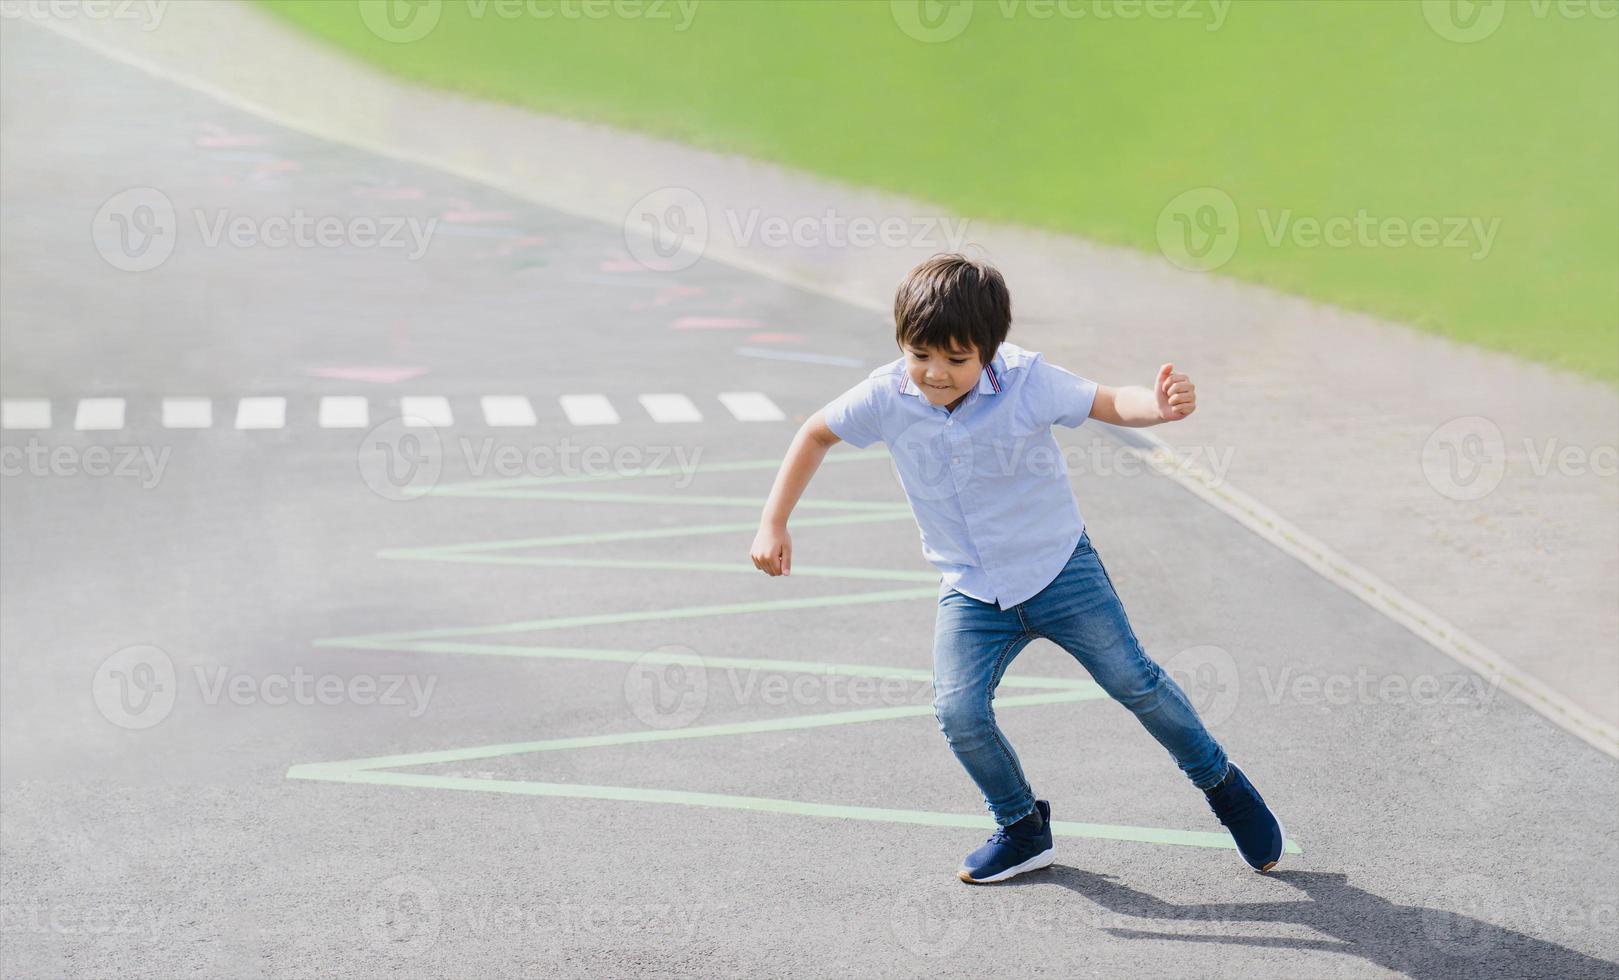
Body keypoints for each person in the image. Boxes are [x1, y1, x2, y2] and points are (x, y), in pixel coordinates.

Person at [749, 252, 1285, 884]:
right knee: (959, 712)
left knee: (1133, 682)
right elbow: (815, 432)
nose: (935, 374)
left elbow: (1109, 402)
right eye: (921, 355)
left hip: (1060, 571)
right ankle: (1022, 828)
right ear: (901, 343)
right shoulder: (886, 394)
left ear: (990, 352)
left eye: (956, 359)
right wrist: (772, 521)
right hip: (972, 590)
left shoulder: (1028, 381)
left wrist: (1159, 408)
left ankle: (1221, 784)